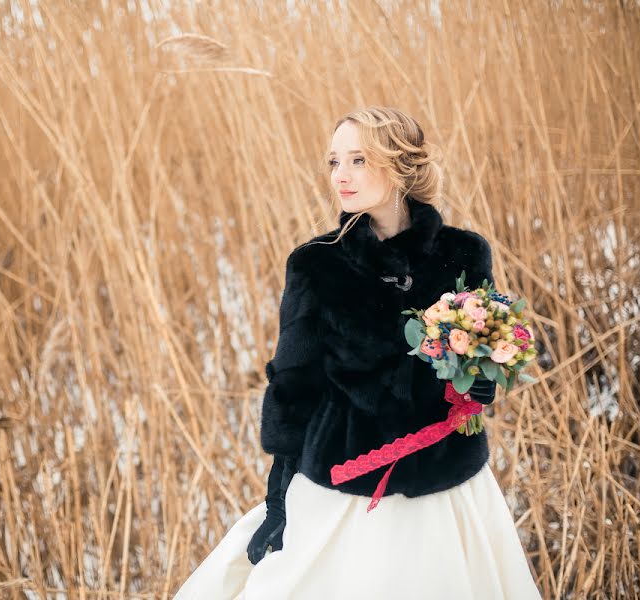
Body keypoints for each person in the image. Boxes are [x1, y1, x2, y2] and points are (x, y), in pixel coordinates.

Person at [174, 106, 542, 599]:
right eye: (333, 162)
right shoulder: (315, 264)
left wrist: (481, 384)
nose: (340, 176)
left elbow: (487, 352)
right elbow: (293, 383)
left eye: (358, 160)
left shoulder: (464, 253)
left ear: (399, 165)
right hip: (345, 482)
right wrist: (278, 501)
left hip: (443, 482)